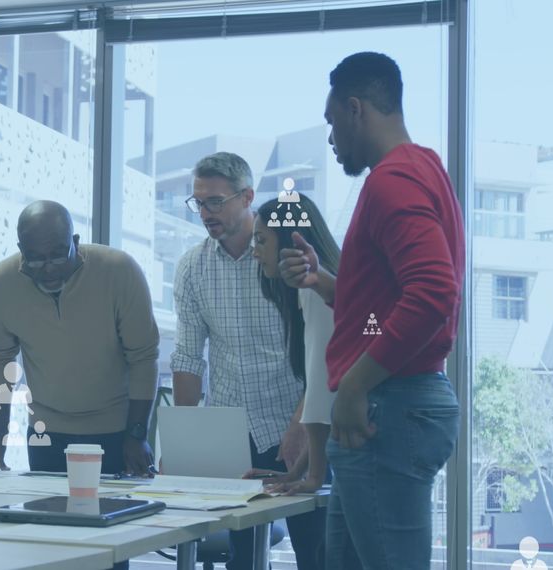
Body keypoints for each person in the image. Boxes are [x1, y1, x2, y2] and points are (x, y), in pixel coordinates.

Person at [279, 52, 464, 569]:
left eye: (333, 122)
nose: (332, 139)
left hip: (388, 405)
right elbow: (381, 316)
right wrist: (325, 284)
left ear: (355, 109)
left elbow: (432, 293)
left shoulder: (392, 181)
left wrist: (355, 386)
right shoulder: (421, 167)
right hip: (395, 402)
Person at [0, 201, 159, 568]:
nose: (48, 269)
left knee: (109, 548)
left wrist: (137, 433)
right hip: (48, 434)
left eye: (57, 256)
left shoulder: (118, 270)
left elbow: (143, 356)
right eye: (35, 259)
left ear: (75, 242)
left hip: (115, 432)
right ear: (21, 251)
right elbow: (0, 360)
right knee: (53, 546)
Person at [170, 152, 321, 570]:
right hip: (234, 432)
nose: (205, 212)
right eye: (198, 202)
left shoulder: (285, 256)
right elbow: (187, 356)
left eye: (215, 201)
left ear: (247, 196)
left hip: (295, 423)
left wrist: (302, 425)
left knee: (316, 550)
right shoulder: (192, 268)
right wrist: (185, 440)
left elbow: (320, 351)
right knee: (243, 558)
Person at [247, 194, 338, 503]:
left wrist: (312, 476)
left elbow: (321, 391)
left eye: (261, 241)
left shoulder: (316, 290)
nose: (255, 252)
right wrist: (296, 472)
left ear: (288, 241)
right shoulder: (317, 286)